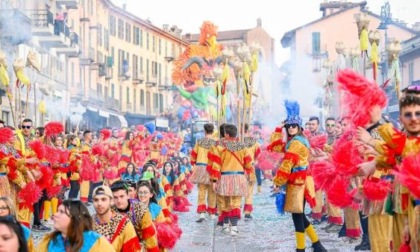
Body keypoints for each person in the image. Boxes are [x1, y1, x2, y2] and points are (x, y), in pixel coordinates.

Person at [269, 100, 327, 252]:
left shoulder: (296, 143)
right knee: (299, 216)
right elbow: (275, 147)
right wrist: (278, 128)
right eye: (288, 126)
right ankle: (317, 245)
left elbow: (287, 164)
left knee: (297, 216)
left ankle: (301, 248)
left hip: (298, 182)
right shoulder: (294, 141)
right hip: (299, 181)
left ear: (299, 127)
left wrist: (277, 182)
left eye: (294, 126)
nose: (290, 128)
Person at [207, 124, 252, 235]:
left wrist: (214, 180)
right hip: (239, 177)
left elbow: (216, 165)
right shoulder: (242, 146)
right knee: (236, 201)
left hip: (224, 177)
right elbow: (248, 164)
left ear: (226, 134)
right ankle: (235, 228)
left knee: (223, 202)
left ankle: (226, 226)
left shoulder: (219, 147)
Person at [37, 200, 115, 251]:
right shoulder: (49, 241)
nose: (55, 215)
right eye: (57, 211)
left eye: (61, 212)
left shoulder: (96, 243)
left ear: (75, 218)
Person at [110, 181, 159, 252]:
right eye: (115, 197)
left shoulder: (141, 209)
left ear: (127, 195)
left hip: (139, 245)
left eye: (121, 196)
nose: (119, 200)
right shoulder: (110, 211)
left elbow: (150, 237)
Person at [92, 186, 141, 252]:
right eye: (96, 200)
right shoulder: (87, 223)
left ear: (111, 201)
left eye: (103, 199)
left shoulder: (124, 224)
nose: (99, 203)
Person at [190, 123, 217, 222]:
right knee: (212, 191)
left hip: (201, 167)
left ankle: (202, 213)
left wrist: (193, 163)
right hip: (212, 168)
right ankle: (212, 212)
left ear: (204, 131)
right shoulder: (216, 143)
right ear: (213, 131)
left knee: (201, 190)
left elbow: (193, 154)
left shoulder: (199, 141)